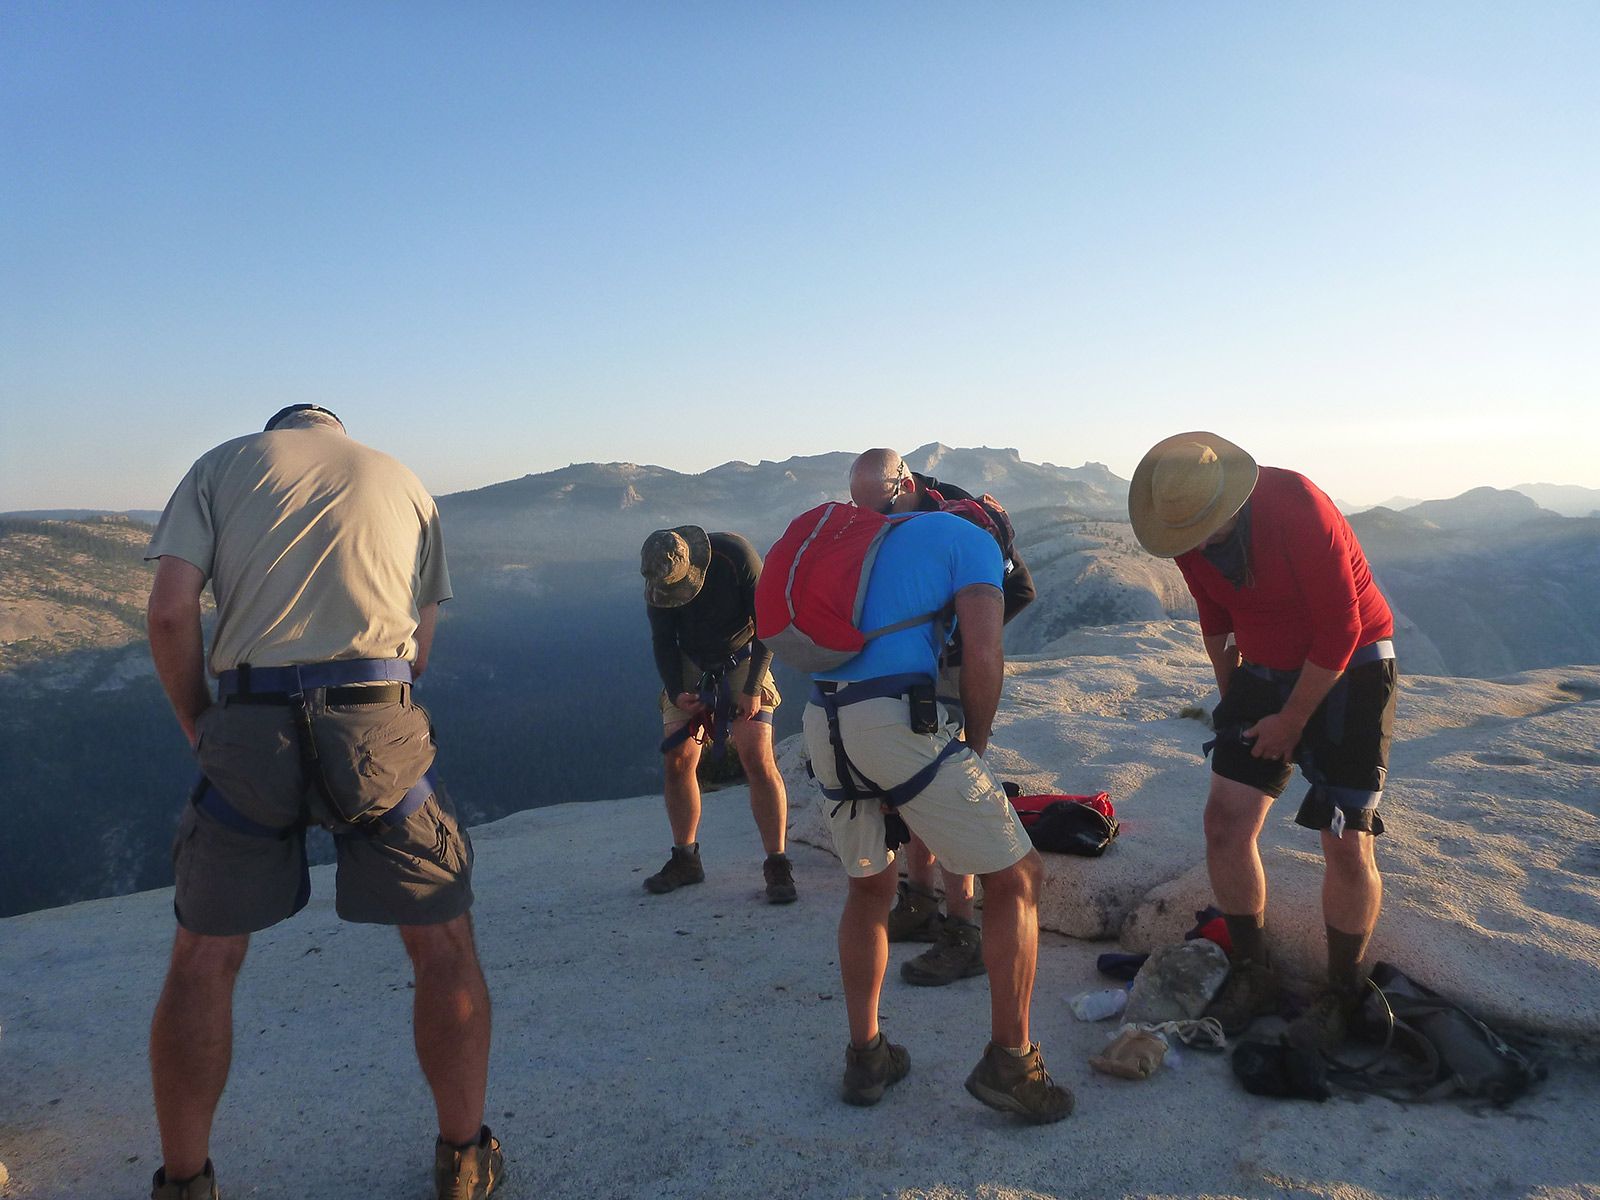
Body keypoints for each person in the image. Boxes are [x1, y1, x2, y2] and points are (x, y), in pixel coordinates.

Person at [143, 405, 500, 1200]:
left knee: (205, 957)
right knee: (442, 945)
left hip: (248, 722)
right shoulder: (403, 480)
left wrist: (197, 720)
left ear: (279, 431)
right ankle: (465, 1161)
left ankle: (184, 1182)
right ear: (336, 431)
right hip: (376, 720)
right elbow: (422, 645)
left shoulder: (219, 466)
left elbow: (169, 611)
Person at [802, 495, 1071, 1122]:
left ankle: (867, 1056)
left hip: (824, 720)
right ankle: (1013, 1066)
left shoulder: (881, 541)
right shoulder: (974, 543)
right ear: (998, 538)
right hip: (895, 722)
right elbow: (983, 654)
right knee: (1018, 878)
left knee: (869, 890)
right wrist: (973, 747)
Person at [1127, 431, 1397, 1051]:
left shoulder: (1295, 504)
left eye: (1198, 530)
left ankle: (1342, 989)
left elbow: (1341, 626)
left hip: (1351, 665)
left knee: (1345, 837)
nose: (1187, 546)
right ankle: (1254, 968)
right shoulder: (1181, 532)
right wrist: (1234, 700)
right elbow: (1216, 621)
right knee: (1224, 821)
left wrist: (1291, 721)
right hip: (1264, 668)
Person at [847, 450, 1036, 988]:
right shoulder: (897, 514)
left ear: (904, 481)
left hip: (945, 672)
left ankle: (962, 929)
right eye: (860, 509)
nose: (872, 518)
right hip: (910, 666)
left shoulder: (963, 519)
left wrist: (961, 641)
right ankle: (922, 901)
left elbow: (1019, 589)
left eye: (878, 505)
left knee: (946, 790)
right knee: (908, 789)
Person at [640, 526, 795, 903]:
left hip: (742, 655)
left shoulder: (736, 557)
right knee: (678, 759)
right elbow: (663, 640)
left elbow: (768, 627)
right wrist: (677, 690)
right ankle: (685, 857)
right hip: (690, 661)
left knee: (757, 756)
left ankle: (777, 862)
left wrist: (753, 687)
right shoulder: (658, 577)